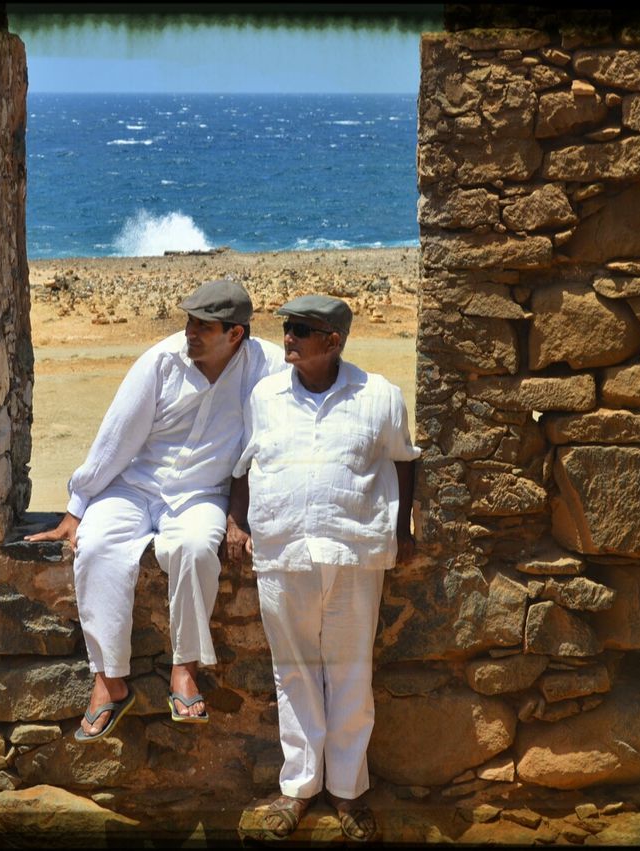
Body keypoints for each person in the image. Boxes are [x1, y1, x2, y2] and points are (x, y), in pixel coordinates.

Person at [27, 278, 285, 740]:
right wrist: (78, 505)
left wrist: (241, 516)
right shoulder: (161, 362)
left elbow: (277, 434)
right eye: (188, 321)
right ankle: (109, 680)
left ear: (235, 335)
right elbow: (115, 438)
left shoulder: (266, 367)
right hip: (133, 487)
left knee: (195, 548)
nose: (188, 331)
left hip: (202, 494)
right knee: (98, 545)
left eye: (202, 326)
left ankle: (183, 668)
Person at [226, 294, 419, 842]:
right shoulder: (265, 397)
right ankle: (299, 788)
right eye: (287, 327)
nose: (288, 336)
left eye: (302, 330)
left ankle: (349, 792)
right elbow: (243, 466)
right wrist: (237, 522)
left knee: (351, 671)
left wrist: (401, 530)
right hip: (282, 549)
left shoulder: (379, 396)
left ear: (333, 342)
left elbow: (405, 463)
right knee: (292, 670)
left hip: (353, 551)